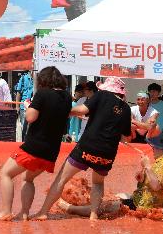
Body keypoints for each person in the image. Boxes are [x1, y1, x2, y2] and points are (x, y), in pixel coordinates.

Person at [33, 76, 132, 221]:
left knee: (61, 179)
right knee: (98, 183)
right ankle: (93, 214)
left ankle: (43, 212)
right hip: (107, 153)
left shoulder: (101, 95)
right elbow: (125, 138)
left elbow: (82, 109)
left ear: (107, 88)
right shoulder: (126, 109)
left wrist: (64, 111)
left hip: (87, 147)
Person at [0, 66, 71, 221]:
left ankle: (6, 211)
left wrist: (28, 106)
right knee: (28, 178)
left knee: (5, 173)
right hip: (51, 151)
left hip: (34, 147)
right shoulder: (66, 97)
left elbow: (30, 118)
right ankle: (24, 213)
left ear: (43, 80)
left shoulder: (43, 93)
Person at [59, 132, 163, 217]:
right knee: (118, 195)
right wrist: (143, 175)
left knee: (101, 207)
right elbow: (156, 184)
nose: (152, 149)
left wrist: (147, 166)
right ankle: (85, 205)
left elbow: (156, 185)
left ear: (162, 148)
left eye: (154, 147)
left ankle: (70, 208)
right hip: (148, 202)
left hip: (143, 205)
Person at [14, 71, 34, 140]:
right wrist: (17, 107)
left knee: (32, 128)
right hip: (24, 107)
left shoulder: (40, 78)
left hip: (35, 107)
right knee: (24, 128)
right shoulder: (23, 78)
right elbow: (18, 93)